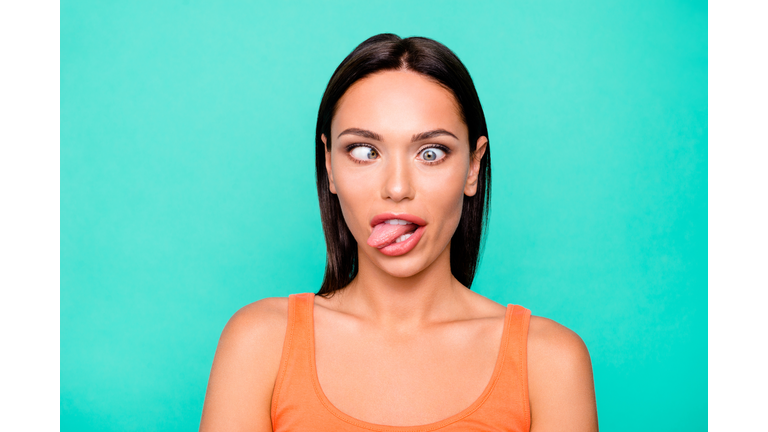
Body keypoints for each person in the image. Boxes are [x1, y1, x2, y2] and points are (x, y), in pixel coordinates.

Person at [199, 33, 598, 432]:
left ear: (473, 168)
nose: (396, 187)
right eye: (364, 151)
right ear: (330, 166)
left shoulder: (549, 362)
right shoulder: (259, 345)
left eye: (431, 153)